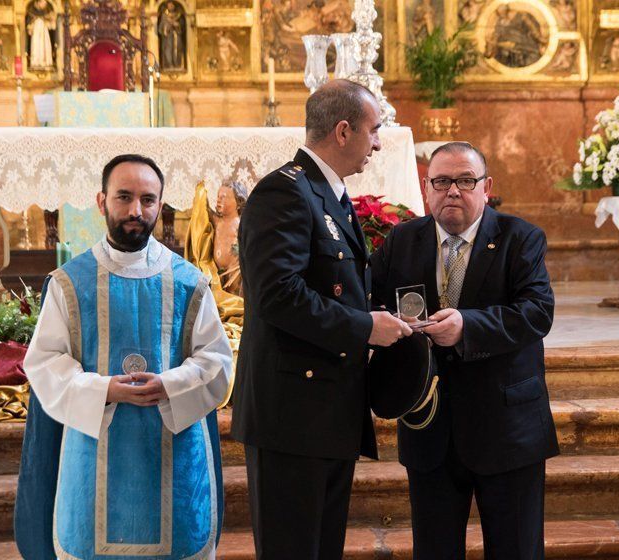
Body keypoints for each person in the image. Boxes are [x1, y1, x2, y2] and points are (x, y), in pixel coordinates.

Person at [15, 154, 233, 559]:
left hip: (172, 455)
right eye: (124, 197)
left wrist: (168, 384)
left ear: (161, 204)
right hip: (92, 457)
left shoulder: (190, 281)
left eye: (148, 199)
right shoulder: (68, 282)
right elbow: (45, 363)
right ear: (102, 202)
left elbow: (217, 362)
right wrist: (104, 389)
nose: (136, 210)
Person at [231, 79, 412, 559]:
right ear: (343, 130)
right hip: (291, 411)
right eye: (374, 131)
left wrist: (370, 317)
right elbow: (277, 295)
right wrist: (365, 327)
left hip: (326, 407)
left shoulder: (326, 193)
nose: (378, 142)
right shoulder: (285, 192)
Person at [371, 142, 558, 559]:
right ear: (426, 187)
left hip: (507, 428)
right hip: (430, 429)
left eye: (465, 180)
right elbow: (372, 308)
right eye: (441, 181)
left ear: (485, 186)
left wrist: (468, 326)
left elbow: (537, 312)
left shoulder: (520, 238)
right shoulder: (401, 240)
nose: (452, 190)